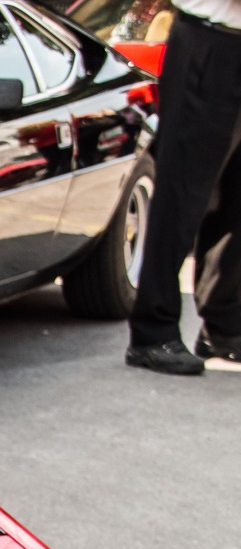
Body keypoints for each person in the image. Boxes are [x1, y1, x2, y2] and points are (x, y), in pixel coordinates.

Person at [127, 0, 241, 375]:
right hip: (209, 43)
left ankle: (224, 328)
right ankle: (152, 333)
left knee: (236, 200)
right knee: (182, 192)